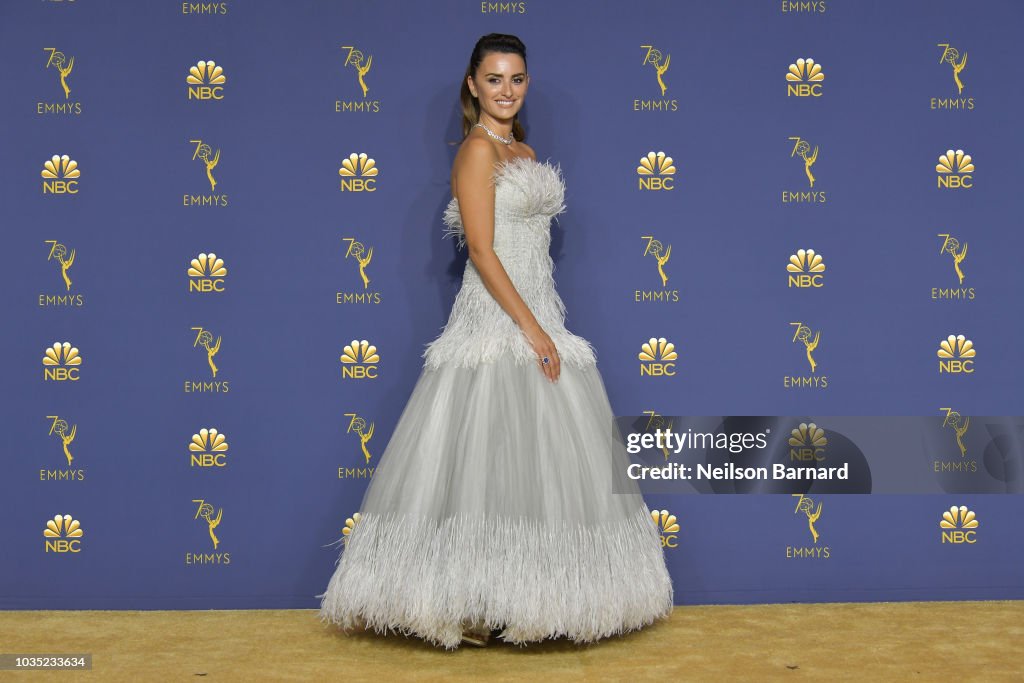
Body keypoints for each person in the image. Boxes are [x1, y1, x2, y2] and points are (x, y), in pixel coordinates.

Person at [317, 32, 673, 650]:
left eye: (516, 79)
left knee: (535, 466)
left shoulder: (526, 151)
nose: (505, 91)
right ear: (472, 85)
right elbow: (481, 250)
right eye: (494, 79)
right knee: (481, 457)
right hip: (495, 319)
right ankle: (460, 604)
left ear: (526, 84)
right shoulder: (476, 153)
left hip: (542, 311)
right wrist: (530, 328)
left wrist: (542, 323)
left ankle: (532, 600)